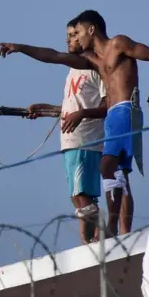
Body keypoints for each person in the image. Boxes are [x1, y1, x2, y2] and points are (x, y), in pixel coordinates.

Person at [0, 10, 149, 237]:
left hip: (124, 110)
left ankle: (113, 230)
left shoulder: (118, 44)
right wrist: (20, 47)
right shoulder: (93, 60)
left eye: (78, 32)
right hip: (115, 116)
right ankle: (121, 234)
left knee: (107, 167)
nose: (76, 37)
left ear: (91, 29)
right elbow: (53, 56)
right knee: (120, 174)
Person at [24, 17, 107, 244]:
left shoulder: (95, 68)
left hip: (84, 140)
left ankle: (103, 234)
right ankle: (90, 243)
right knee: (79, 196)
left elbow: (107, 105)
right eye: (68, 36)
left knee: (80, 197)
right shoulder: (73, 71)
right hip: (71, 140)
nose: (70, 40)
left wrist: (81, 115)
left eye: (74, 35)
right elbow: (73, 107)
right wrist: (47, 109)